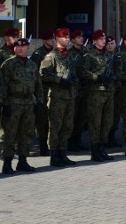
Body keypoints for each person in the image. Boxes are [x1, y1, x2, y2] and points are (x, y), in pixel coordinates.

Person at [0, 37, 43, 173]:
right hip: (13, 102)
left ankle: (23, 161)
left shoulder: (32, 65)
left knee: (27, 133)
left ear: (27, 48)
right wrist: (4, 103)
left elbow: (38, 85)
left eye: (23, 46)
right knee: (10, 133)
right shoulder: (8, 64)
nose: (20, 48)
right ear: (14, 48)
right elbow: (3, 86)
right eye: (18, 46)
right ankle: (7, 163)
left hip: (29, 102)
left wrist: (39, 102)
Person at [39, 28, 77, 167]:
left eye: (68, 37)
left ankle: (62, 152)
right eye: (65, 37)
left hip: (69, 96)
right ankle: (53, 155)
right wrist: (59, 80)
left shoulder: (69, 56)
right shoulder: (51, 56)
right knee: (55, 127)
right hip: (57, 97)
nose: (68, 39)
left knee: (67, 126)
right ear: (57, 39)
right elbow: (43, 74)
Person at [79, 29, 115, 161]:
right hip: (96, 93)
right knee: (96, 122)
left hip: (108, 92)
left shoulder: (108, 55)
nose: (103, 41)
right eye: (101, 39)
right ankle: (95, 150)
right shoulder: (89, 56)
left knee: (107, 121)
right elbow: (83, 71)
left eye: (104, 38)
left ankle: (102, 148)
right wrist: (97, 77)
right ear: (94, 41)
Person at [30, 29, 55, 155]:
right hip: (42, 91)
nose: (53, 41)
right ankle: (42, 145)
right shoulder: (38, 53)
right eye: (51, 39)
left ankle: (51, 145)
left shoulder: (54, 53)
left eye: (53, 39)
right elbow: (35, 73)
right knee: (42, 120)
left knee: (52, 119)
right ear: (45, 40)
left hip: (53, 90)